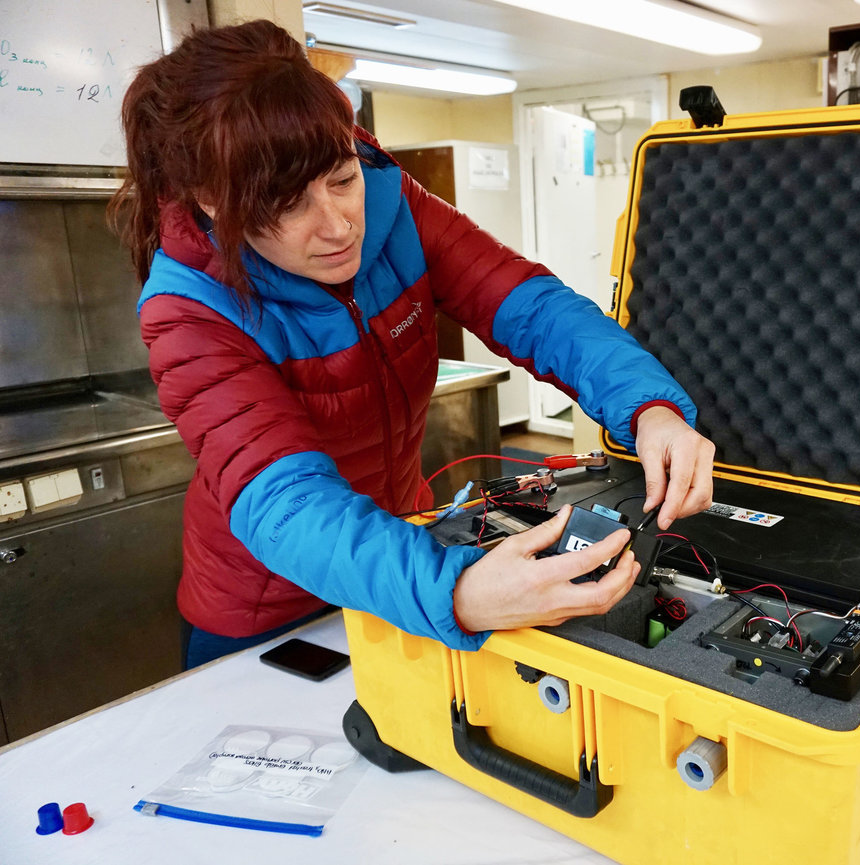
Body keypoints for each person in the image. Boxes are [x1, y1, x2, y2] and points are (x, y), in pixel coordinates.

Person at [110, 20, 715, 669]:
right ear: (212, 202)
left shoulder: (393, 201)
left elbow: (531, 306)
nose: (339, 224)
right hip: (270, 611)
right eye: (288, 204)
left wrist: (649, 406)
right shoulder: (188, 308)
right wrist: (454, 589)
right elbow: (283, 503)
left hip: (409, 546)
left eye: (341, 178)